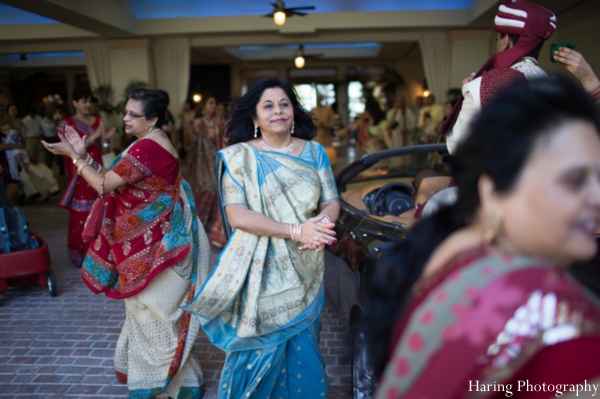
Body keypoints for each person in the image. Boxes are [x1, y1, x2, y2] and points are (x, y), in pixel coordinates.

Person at [360, 76, 600, 398]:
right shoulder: (559, 319)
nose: (596, 197)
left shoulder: (452, 249)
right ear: (494, 192)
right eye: (574, 180)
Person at [43, 88, 209, 399]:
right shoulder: (153, 142)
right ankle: (181, 380)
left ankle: (166, 383)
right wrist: (81, 154)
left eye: (134, 114)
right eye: (125, 112)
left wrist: (75, 159)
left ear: (154, 119)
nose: (125, 118)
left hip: (155, 244)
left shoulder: (147, 148)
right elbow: (118, 179)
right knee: (153, 311)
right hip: (158, 237)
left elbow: (104, 185)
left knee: (153, 311)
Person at [185, 78, 339, 398]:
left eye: (284, 104)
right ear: (254, 118)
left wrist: (320, 226)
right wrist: (296, 230)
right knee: (258, 348)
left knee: (305, 345)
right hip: (259, 265)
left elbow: (331, 199)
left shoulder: (314, 151)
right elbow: (237, 215)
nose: (278, 111)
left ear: (294, 112)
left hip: (307, 259)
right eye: (267, 106)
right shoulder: (239, 158)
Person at [441, 0, 557, 154]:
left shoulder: (483, 85)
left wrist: (468, 93)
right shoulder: (555, 86)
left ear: (505, 41)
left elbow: (457, 146)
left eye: (498, 38)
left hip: (498, 176)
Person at [56, 88, 115, 266]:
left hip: (97, 165)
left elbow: (104, 146)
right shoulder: (66, 124)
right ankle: (83, 255)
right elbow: (70, 149)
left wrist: (105, 139)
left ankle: (103, 255)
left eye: (89, 101)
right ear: (74, 103)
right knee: (84, 211)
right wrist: (96, 134)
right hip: (80, 170)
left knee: (103, 206)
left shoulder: (99, 120)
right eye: (83, 101)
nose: (88, 105)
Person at [186, 95, 220, 229]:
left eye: (214, 103)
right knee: (203, 187)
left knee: (215, 187)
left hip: (214, 160)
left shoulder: (218, 123)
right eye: (210, 102)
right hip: (200, 161)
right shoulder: (196, 123)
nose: (213, 106)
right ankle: (200, 224)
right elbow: (188, 142)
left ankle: (212, 224)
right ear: (204, 106)